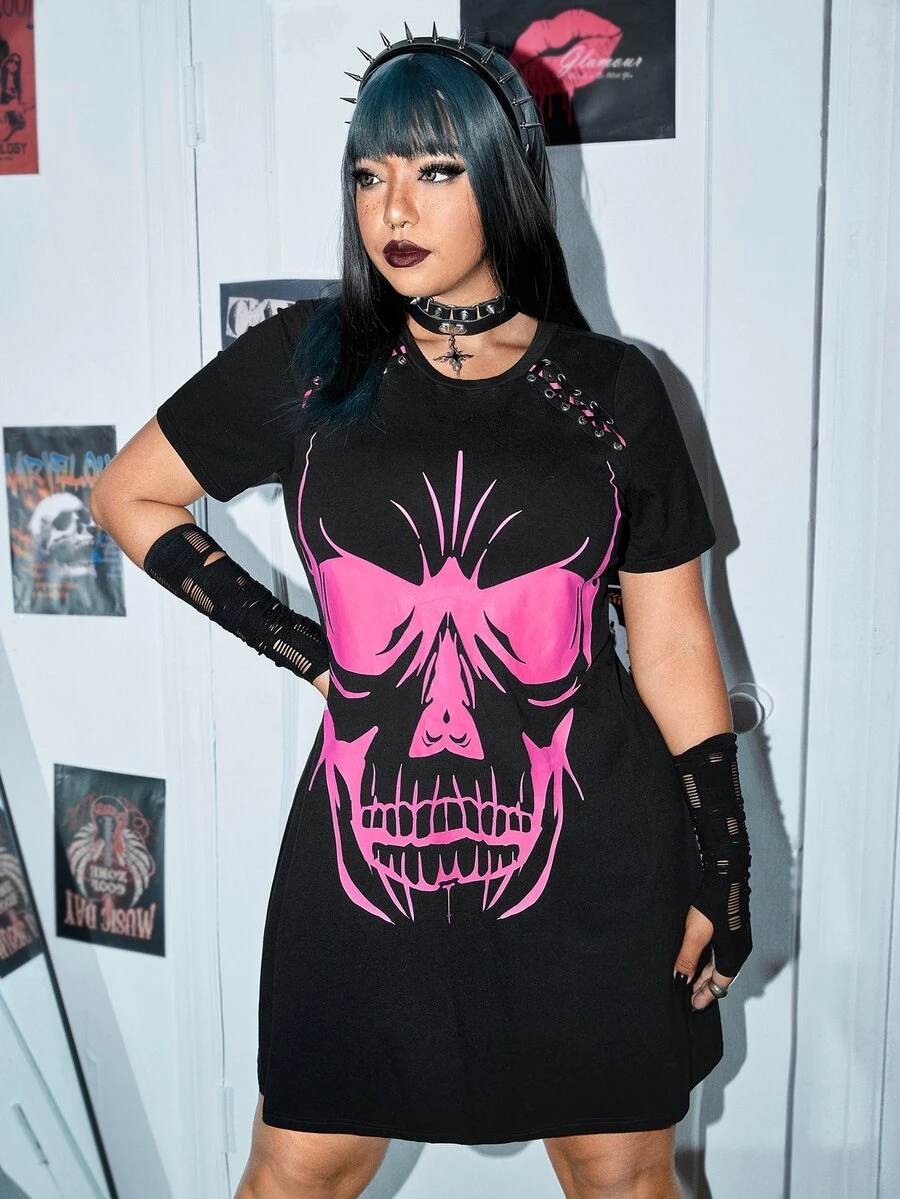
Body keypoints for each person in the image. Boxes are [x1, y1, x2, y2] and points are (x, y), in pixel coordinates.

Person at [91, 25, 752, 1199]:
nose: (392, 205)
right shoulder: (306, 363)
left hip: (595, 847)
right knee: (300, 1164)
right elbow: (127, 494)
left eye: (435, 169)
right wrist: (308, 652)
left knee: (619, 1168)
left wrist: (726, 859)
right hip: (364, 846)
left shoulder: (613, 389)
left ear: (503, 176)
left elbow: (672, 637)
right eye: (369, 171)